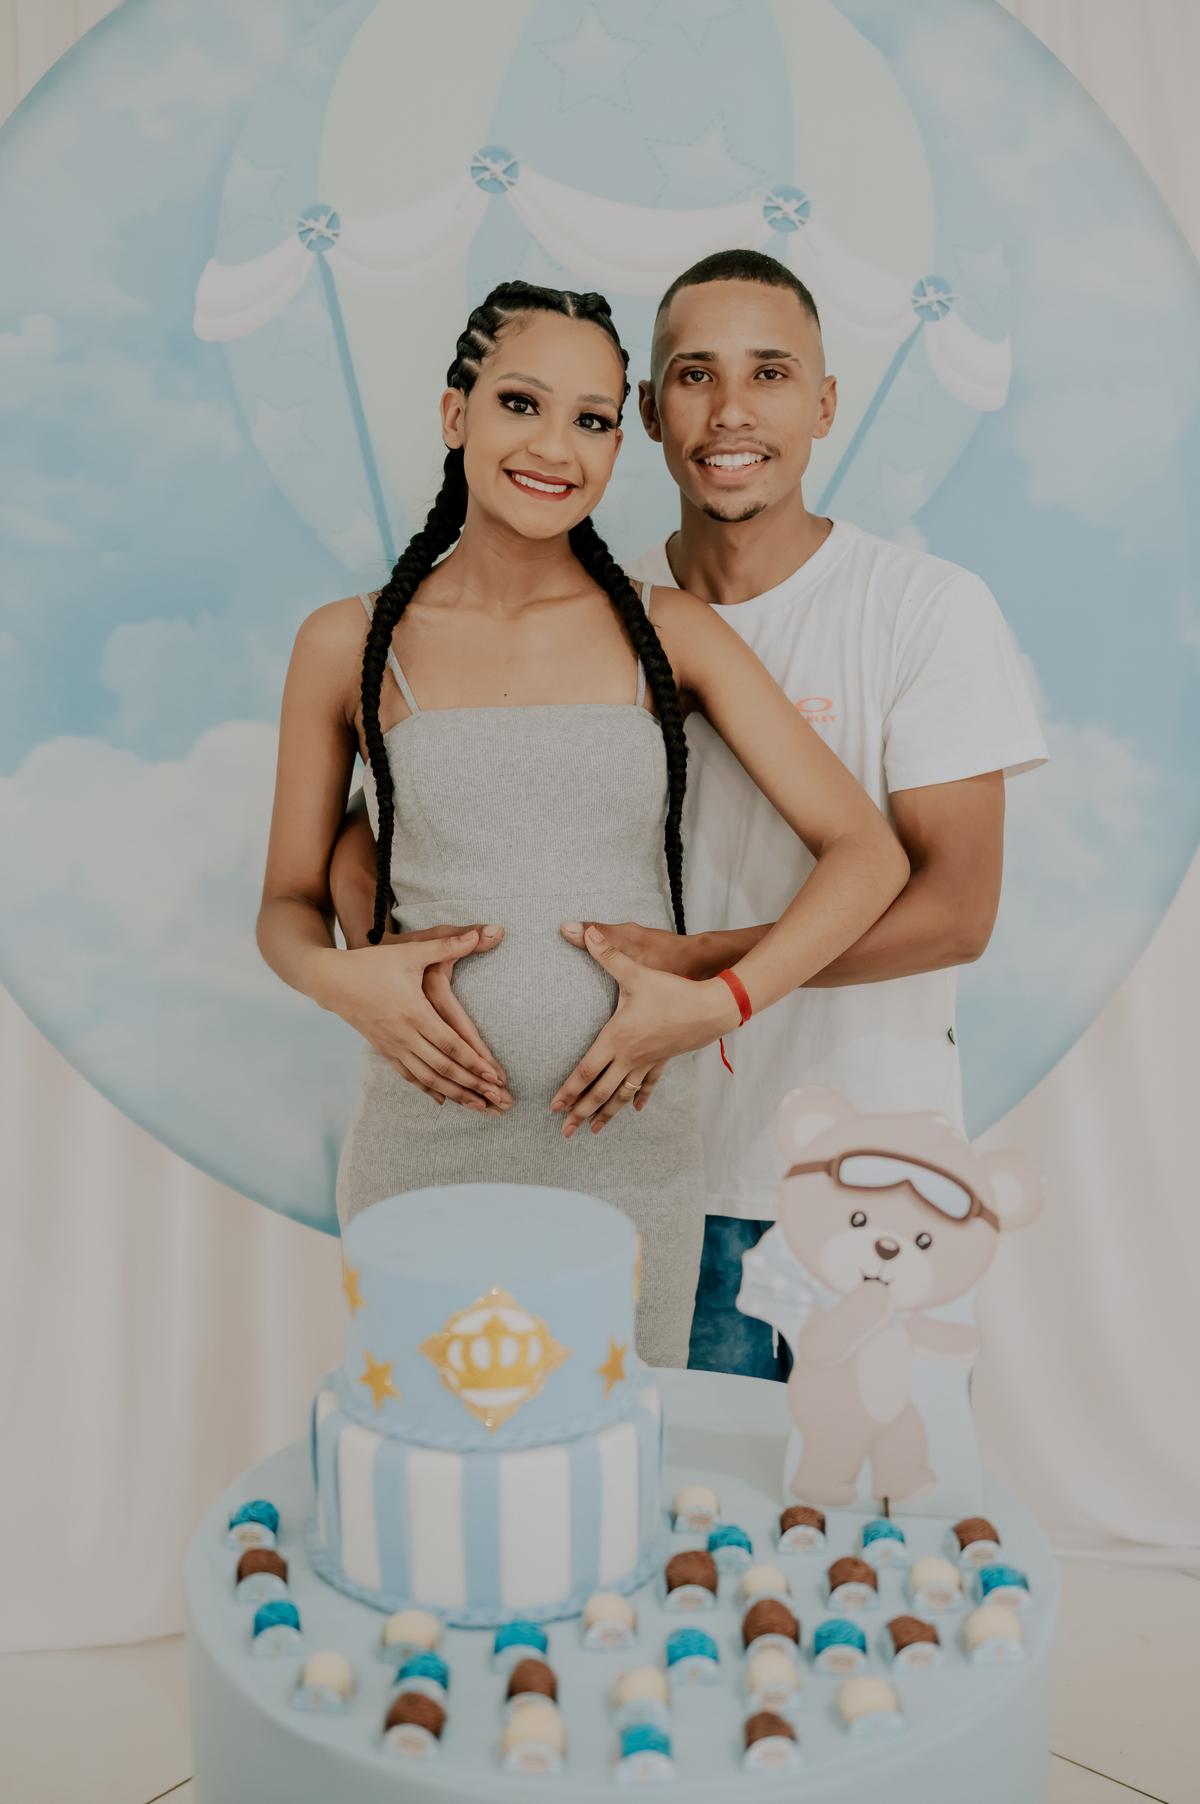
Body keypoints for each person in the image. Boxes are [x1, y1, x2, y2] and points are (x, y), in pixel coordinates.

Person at [258, 279, 908, 1369]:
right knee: (426, 1450)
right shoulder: (347, 643)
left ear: (619, 441)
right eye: (521, 403)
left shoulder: (670, 630)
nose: (556, 446)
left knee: (619, 1455)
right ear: (456, 413)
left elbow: (868, 854)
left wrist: (718, 1002)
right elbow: (286, 900)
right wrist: (339, 980)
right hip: (420, 1147)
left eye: (594, 419)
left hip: (625, 1153)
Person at [601, 248, 1048, 1377]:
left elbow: (955, 912)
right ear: (648, 410)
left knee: (869, 1480)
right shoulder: (595, 612)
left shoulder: (924, 608)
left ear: (826, 402)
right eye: (695, 375)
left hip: (874, 1187)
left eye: (771, 372)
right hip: (651, 1176)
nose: (731, 411)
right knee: (676, 1486)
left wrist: (706, 972)